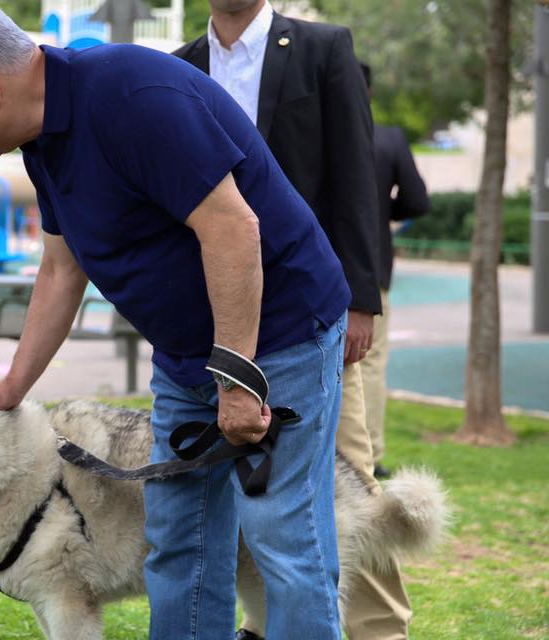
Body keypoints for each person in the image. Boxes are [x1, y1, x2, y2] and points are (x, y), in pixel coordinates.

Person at [0, 2, 351, 638]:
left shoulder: (131, 96)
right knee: (177, 541)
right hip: (185, 359)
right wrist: (13, 386)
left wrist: (236, 380)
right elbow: (62, 271)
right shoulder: (40, 142)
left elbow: (233, 230)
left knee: (283, 542)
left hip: (278, 339)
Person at [173, 3, 408, 638]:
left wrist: (361, 300)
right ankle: (265, 622)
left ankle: (380, 628)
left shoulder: (323, 48)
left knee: (349, 476)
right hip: (223, 323)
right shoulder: (181, 65)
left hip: (314, 313)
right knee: (244, 481)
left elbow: (357, 179)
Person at [360, 62, 431, 478]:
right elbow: (418, 202)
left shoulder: (308, 137)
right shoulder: (387, 139)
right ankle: (369, 454)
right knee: (369, 361)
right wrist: (386, 212)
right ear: (367, 92)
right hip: (371, 265)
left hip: (307, 270)